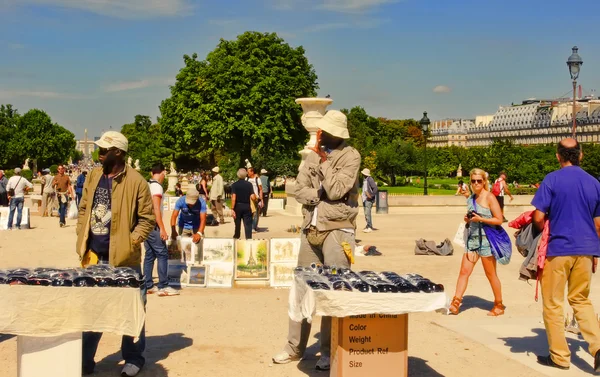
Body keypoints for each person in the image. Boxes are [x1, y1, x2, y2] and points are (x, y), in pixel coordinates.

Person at [273, 109, 361, 371]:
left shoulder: (351, 156)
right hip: (310, 228)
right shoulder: (312, 155)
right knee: (301, 289)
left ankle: (328, 350)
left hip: (338, 229)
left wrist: (324, 164)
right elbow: (299, 190)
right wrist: (318, 194)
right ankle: (294, 347)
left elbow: (336, 191)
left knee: (333, 291)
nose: (319, 135)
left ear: (336, 134)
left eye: (324, 131)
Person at [76, 131, 155, 376]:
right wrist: (81, 235)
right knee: (92, 310)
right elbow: (83, 208)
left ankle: (133, 357)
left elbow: (147, 219)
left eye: (104, 149)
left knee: (132, 309)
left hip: (124, 258)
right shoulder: (94, 175)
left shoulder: (137, 182)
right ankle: (85, 360)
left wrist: (131, 242)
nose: (99, 152)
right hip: (94, 255)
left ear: (118, 152)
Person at [532, 138, 600, 371]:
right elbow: (598, 223)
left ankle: (560, 357)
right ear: (580, 155)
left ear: (558, 156)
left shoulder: (552, 179)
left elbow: (539, 217)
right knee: (581, 300)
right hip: (587, 249)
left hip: (559, 248)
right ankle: (598, 348)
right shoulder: (594, 182)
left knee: (553, 303)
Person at [448, 168, 505, 316]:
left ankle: (499, 305)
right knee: (464, 272)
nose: (476, 183)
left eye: (479, 181)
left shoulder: (490, 197)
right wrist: (468, 219)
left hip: (487, 241)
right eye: (473, 181)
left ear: (484, 182)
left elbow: (499, 219)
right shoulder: (471, 198)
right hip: (472, 240)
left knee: (491, 274)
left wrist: (481, 219)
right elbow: (471, 216)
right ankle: (456, 302)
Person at [144, 163, 179, 297]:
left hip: (146, 224)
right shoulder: (157, 187)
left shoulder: (148, 185)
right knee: (162, 254)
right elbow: (156, 209)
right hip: (154, 225)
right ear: (163, 173)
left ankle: (148, 284)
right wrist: (162, 229)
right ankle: (163, 285)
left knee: (149, 255)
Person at [231, 168, 255, 239]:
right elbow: (252, 196)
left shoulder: (234, 185)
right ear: (245, 175)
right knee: (248, 225)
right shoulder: (249, 184)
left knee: (237, 224)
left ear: (238, 175)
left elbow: (234, 197)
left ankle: (236, 237)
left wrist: (232, 208)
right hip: (247, 206)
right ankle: (248, 238)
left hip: (237, 206)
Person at [361, 168, 377, 232]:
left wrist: (371, 195)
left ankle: (369, 226)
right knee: (366, 213)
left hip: (368, 199)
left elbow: (375, 188)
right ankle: (368, 225)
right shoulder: (365, 180)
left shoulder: (370, 179)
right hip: (364, 198)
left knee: (368, 213)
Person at [247, 167, 263, 232]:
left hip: (256, 198)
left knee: (256, 213)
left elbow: (261, 189)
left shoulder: (257, 179)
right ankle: (253, 226)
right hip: (249, 198)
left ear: (252, 172)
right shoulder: (246, 179)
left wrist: (261, 200)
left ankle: (254, 227)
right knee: (250, 213)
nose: (247, 173)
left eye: (248, 172)